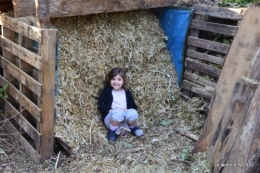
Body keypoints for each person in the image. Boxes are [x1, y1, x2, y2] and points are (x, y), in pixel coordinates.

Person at [97, 67, 143, 141]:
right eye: (113, 79)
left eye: (119, 79)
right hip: (111, 118)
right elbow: (100, 104)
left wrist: (127, 109)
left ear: (123, 81)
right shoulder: (107, 90)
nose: (116, 82)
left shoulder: (127, 92)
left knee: (133, 112)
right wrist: (110, 110)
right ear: (110, 80)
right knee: (118, 112)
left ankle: (132, 127)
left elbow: (133, 106)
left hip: (124, 118)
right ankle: (112, 131)